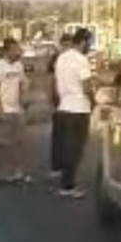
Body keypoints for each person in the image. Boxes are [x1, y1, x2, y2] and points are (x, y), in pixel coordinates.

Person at [54, 27, 95, 198]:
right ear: (83, 42)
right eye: (89, 43)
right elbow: (86, 86)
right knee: (76, 149)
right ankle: (68, 185)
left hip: (64, 106)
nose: (90, 47)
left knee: (66, 147)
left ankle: (65, 181)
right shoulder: (81, 60)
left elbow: (56, 83)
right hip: (79, 108)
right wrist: (94, 100)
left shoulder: (61, 58)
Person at [0, 37, 28, 182]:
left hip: (17, 109)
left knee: (19, 142)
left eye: (18, 49)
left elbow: (22, 83)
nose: (17, 52)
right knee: (3, 143)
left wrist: (23, 101)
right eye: (14, 50)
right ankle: (1, 171)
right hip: (4, 109)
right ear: (7, 51)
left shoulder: (19, 66)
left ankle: (18, 171)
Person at [48, 33, 73, 178]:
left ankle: (68, 166)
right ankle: (56, 165)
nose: (67, 48)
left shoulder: (75, 59)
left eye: (69, 45)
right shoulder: (56, 59)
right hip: (59, 101)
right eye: (65, 45)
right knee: (58, 135)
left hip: (72, 102)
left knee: (70, 137)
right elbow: (51, 79)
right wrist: (52, 99)